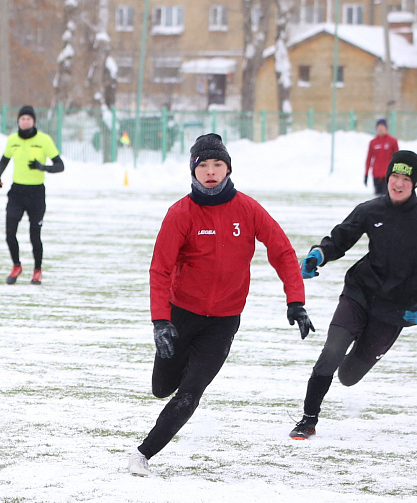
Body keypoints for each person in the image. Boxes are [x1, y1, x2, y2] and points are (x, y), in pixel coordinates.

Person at [128, 133, 314, 477]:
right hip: (181, 315)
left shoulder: (248, 209)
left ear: (228, 168)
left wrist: (296, 301)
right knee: (161, 388)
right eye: (204, 166)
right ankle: (182, 365)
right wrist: (160, 320)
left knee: (190, 393)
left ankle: (142, 455)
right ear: (194, 171)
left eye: (218, 165)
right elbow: (160, 268)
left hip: (224, 321)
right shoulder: (180, 213)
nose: (211, 172)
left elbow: (283, 252)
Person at [291, 150, 417, 440]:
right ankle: (308, 420)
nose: (398, 183)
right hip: (360, 293)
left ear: (414, 183)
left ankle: (349, 360)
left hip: (397, 310)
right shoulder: (371, 210)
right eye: (394, 176)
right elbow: (340, 239)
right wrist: (318, 255)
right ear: (387, 178)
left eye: (405, 178)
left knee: (348, 376)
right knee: (331, 353)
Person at [0, 105, 64, 285]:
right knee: (10, 233)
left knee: (35, 234)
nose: (25, 121)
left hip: (36, 193)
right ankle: (16, 265)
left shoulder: (44, 140)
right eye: (22, 118)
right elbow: (4, 159)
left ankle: (37, 270)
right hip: (17, 192)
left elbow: (60, 165)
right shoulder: (13, 139)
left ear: (33, 121)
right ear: (18, 121)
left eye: (28, 118)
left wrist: (43, 167)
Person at [364, 118, 398, 195]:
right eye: (379, 126)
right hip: (376, 174)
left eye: (382, 126)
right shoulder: (373, 142)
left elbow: (397, 159)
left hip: (388, 175)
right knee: (377, 198)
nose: (381, 129)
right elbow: (369, 159)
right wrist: (366, 174)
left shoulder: (392, 141)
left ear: (386, 128)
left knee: (387, 196)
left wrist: (396, 174)